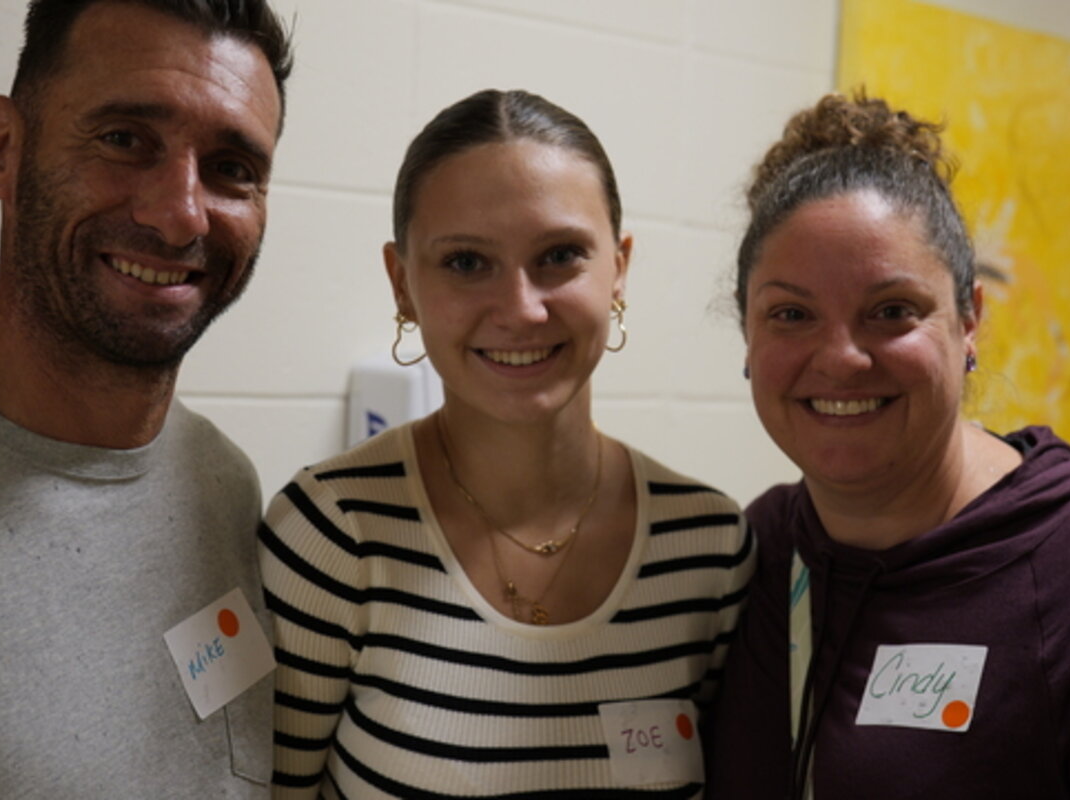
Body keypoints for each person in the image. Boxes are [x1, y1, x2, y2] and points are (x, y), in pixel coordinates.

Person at [259, 88, 755, 798]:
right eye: (467, 262)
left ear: (619, 269)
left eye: (560, 255)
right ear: (402, 284)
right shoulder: (332, 536)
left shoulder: (709, 547)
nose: (522, 309)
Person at [704, 91, 1070, 798]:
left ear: (969, 320)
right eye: (791, 314)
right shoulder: (758, 552)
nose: (841, 359)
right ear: (748, 333)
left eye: (891, 311)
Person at [0, 0, 292, 795]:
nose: (180, 216)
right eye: (124, 139)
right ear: (3, 149)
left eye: (231, 168)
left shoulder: (222, 482)